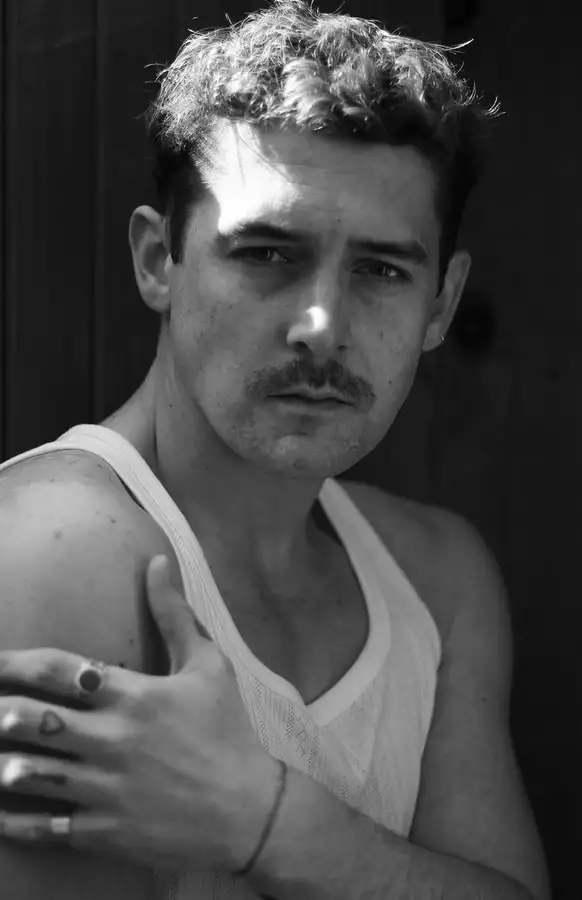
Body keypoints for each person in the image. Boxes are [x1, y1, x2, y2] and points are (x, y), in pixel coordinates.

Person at [0, 1, 551, 898]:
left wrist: (265, 820)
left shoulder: (438, 578)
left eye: (381, 270)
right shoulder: (47, 548)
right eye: (265, 252)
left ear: (442, 306)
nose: (323, 329)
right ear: (157, 260)